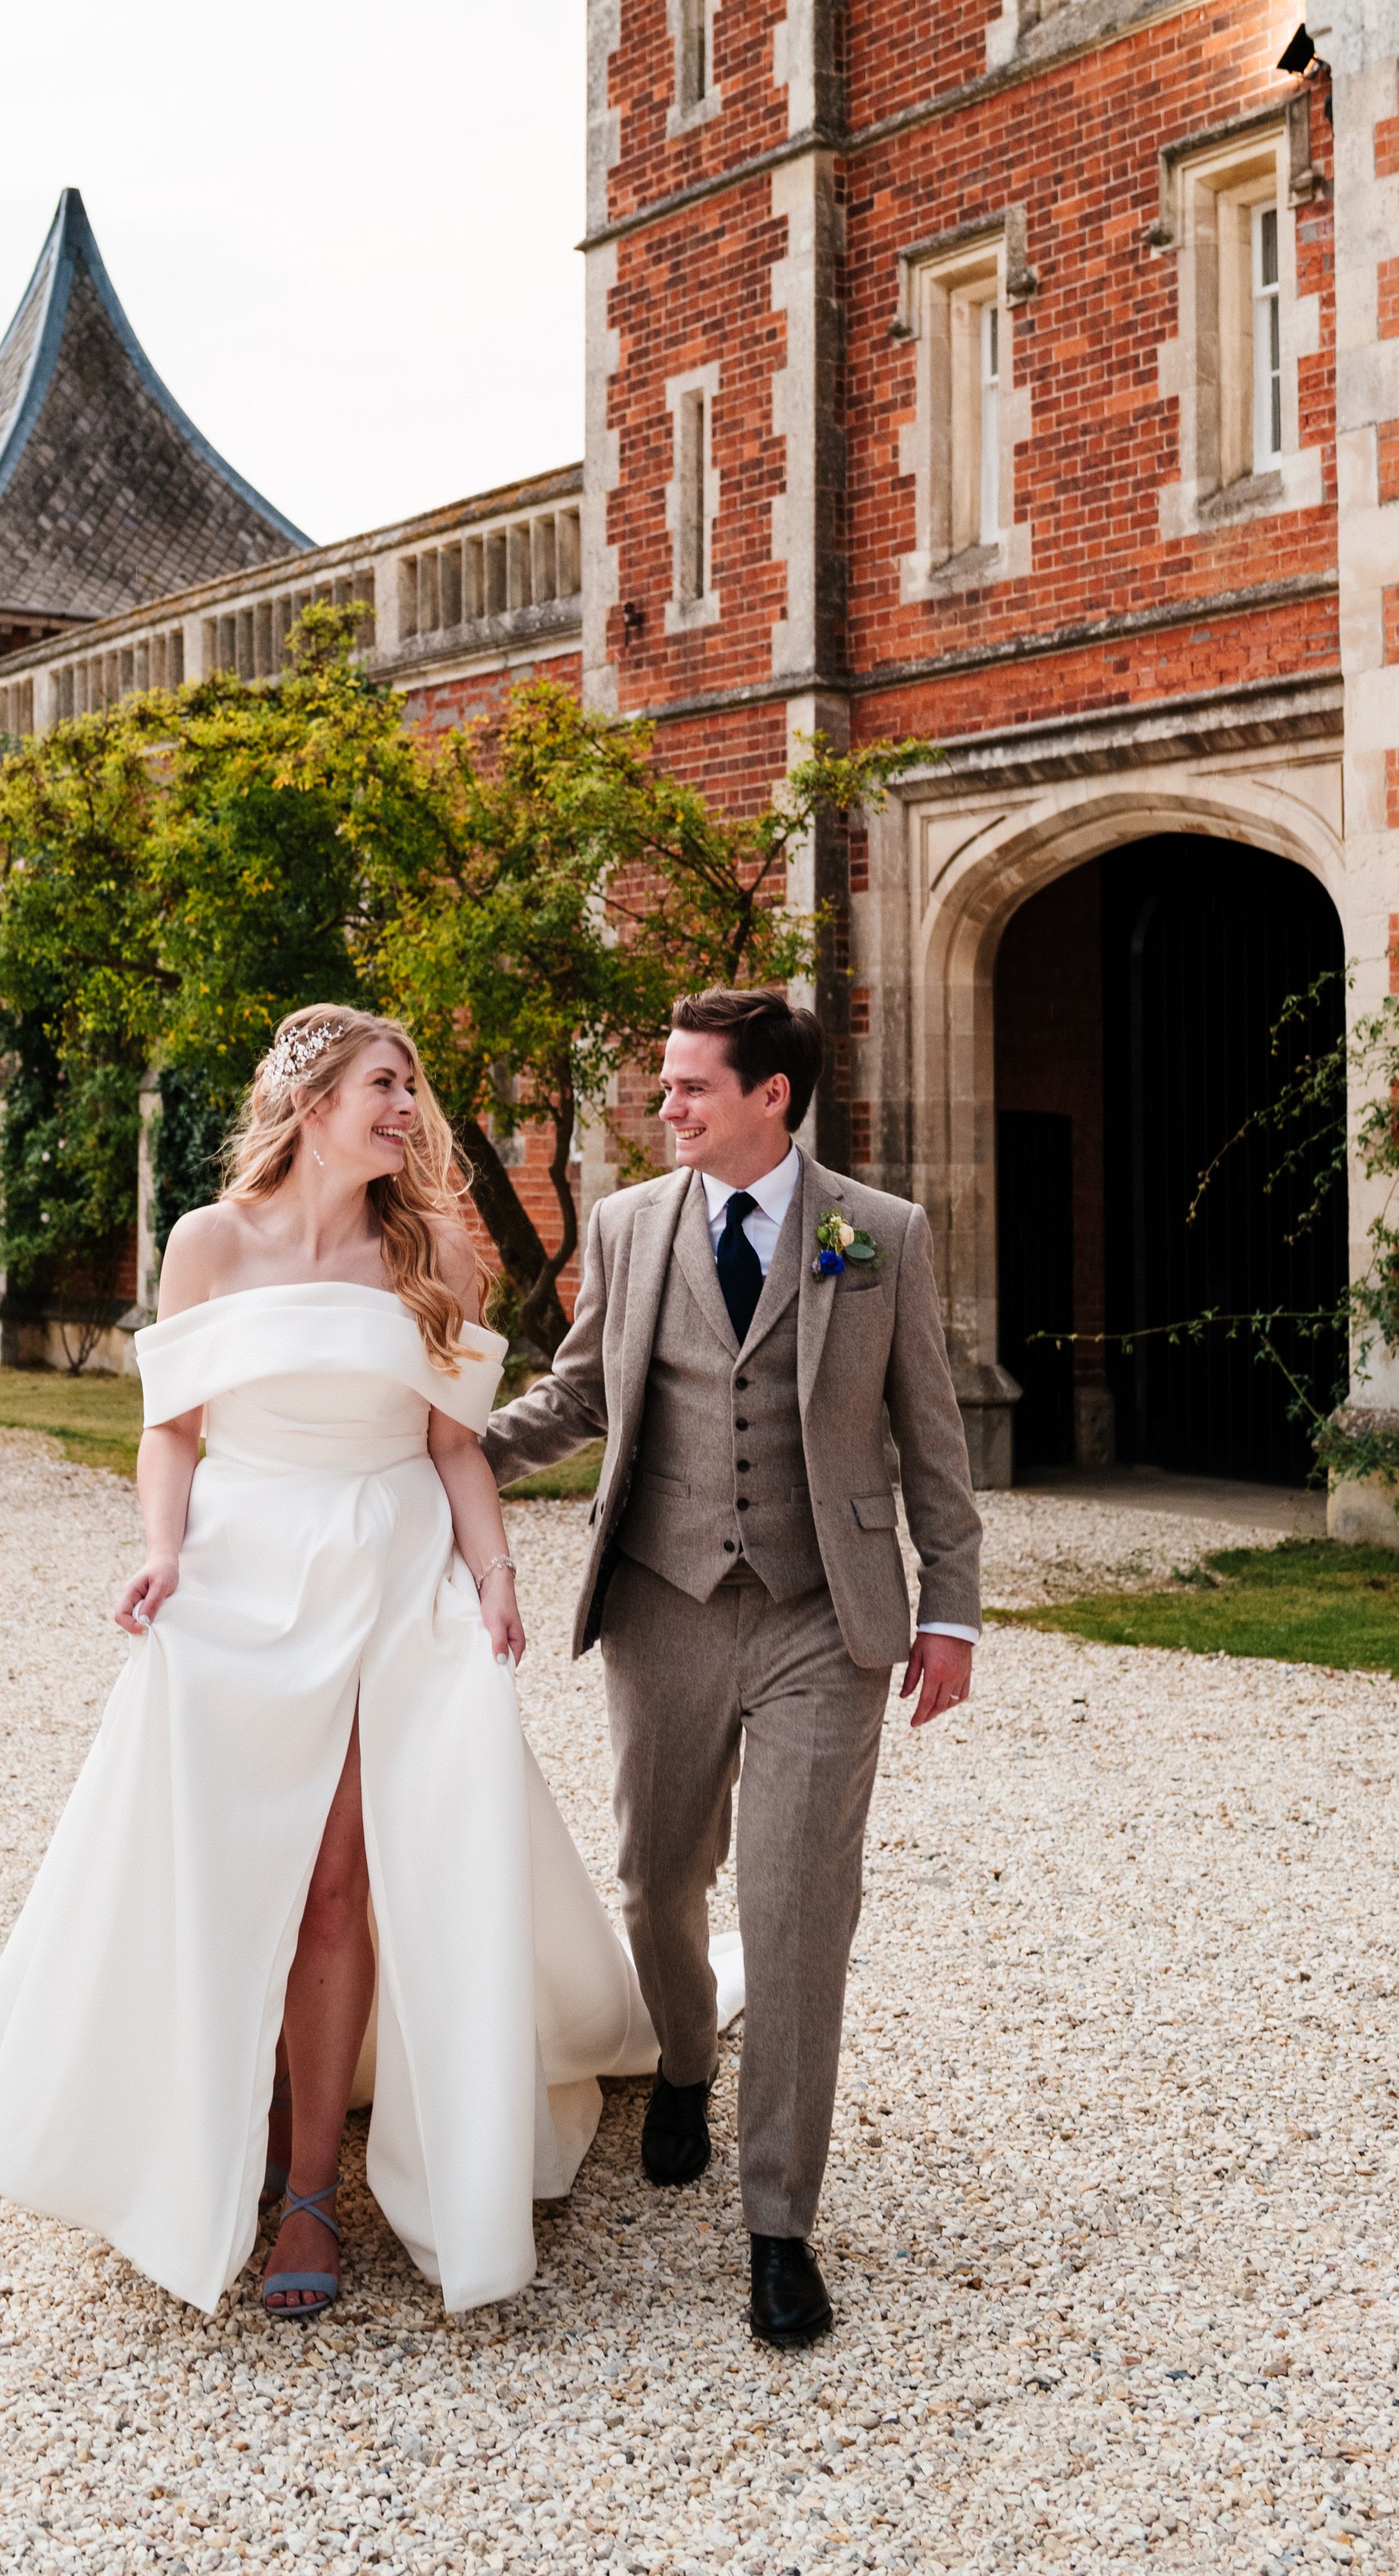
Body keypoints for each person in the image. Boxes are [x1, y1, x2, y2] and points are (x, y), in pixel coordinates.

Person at [0, 1003, 684, 2320]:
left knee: (341, 1882)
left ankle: (305, 2199)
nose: (410, 1109)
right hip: (240, 1571)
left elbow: (458, 1445)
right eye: (386, 1086)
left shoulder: (436, 1248)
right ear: (311, 1102)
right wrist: (163, 1553)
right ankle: (190, 2127)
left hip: (394, 1572)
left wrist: (495, 1579)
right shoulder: (208, 1243)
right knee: (235, 1871)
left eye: (412, 1087)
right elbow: (171, 1430)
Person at [480, 984, 982, 2351]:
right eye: (665, 1086)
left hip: (828, 1613)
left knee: (798, 1903)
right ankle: (688, 2062)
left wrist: (954, 1610)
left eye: (691, 1086)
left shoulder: (877, 1235)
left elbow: (931, 1436)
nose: (667, 1107)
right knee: (657, 1877)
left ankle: (780, 2228)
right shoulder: (630, 1226)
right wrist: (451, 1452)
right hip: (663, 1603)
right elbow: (580, 1393)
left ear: (772, 1094)